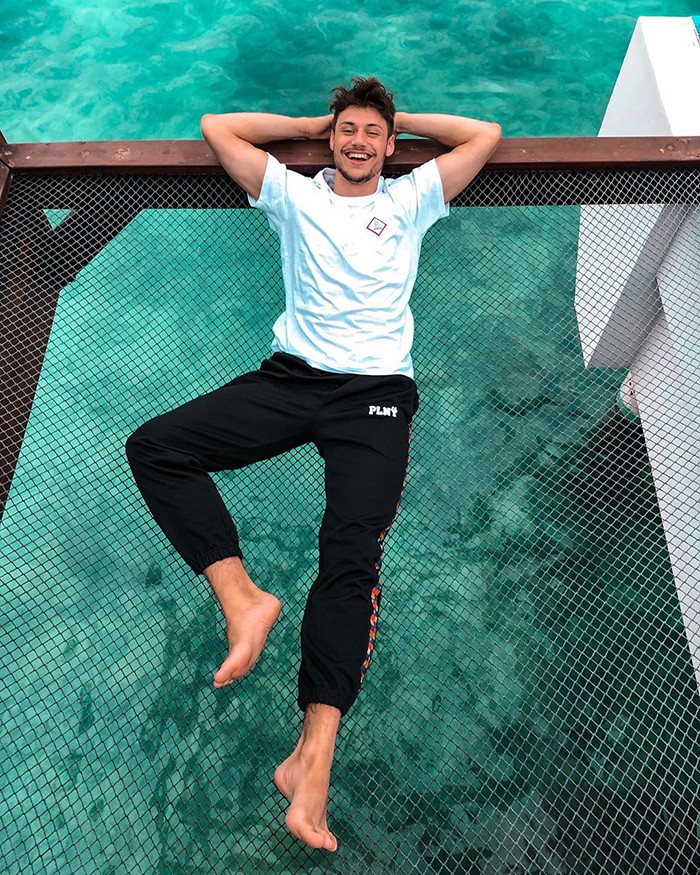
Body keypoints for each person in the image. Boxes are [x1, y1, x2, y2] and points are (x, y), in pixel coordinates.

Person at [126, 76, 500, 852]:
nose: (359, 143)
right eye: (347, 131)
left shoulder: (412, 198)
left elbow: (484, 135)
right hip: (292, 378)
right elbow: (217, 126)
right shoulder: (293, 195)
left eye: (372, 134)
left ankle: (313, 755)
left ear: (390, 146)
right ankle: (243, 599)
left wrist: (400, 117)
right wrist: (307, 121)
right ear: (330, 141)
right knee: (157, 446)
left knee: (351, 556)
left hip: (377, 395)